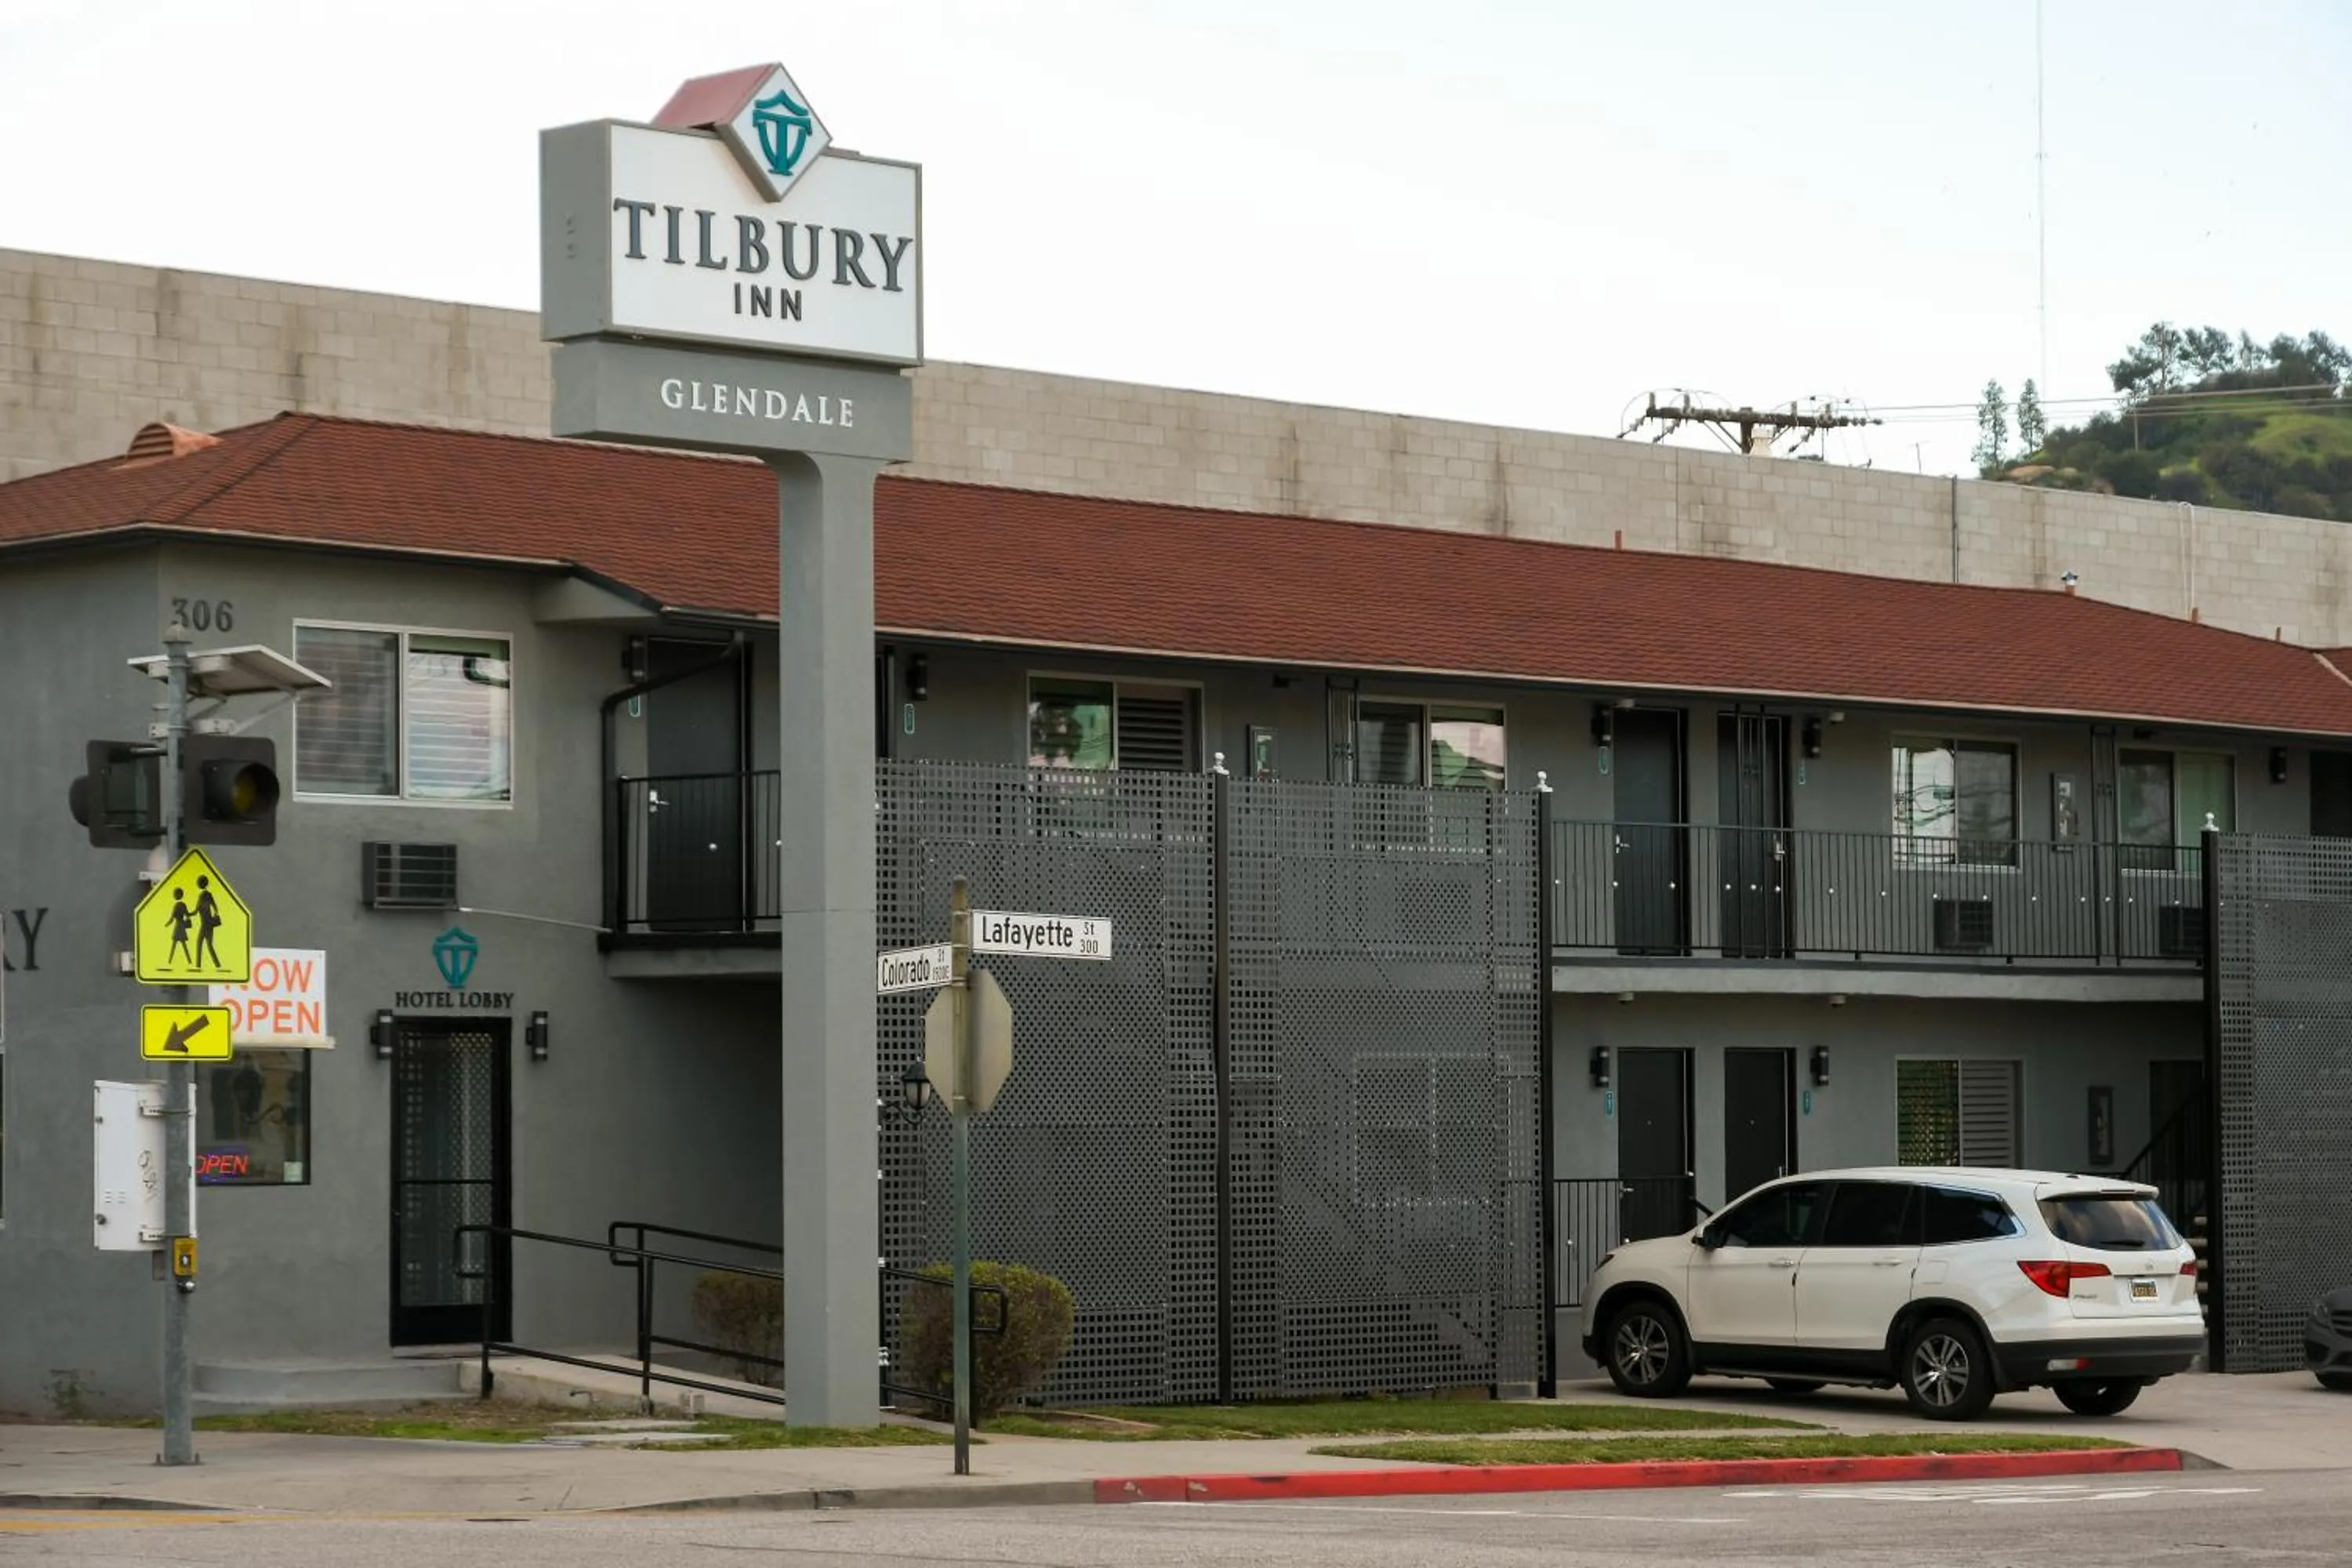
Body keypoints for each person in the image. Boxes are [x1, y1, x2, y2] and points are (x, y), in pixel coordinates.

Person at [194, 875, 223, 969]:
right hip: (209, 923)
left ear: (200, 885)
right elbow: (215, 908)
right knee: (209, 945)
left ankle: (198, 965)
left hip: (205, 924)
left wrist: (189, 914)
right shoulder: (209, 895)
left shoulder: (202, 896)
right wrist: (215, 916)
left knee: (199, 943)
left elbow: (197, 909)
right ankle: (217, 965)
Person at [166, 887, 194, 968]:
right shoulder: (183, 905)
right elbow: (188, 914)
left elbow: (172, 918)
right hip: (181, 926)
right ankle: (189, 962)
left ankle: (170, 962)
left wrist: (167, 924)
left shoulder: (176, 906)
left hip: (178, 926)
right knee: (182, 945)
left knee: (175, 945)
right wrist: (195, 912)